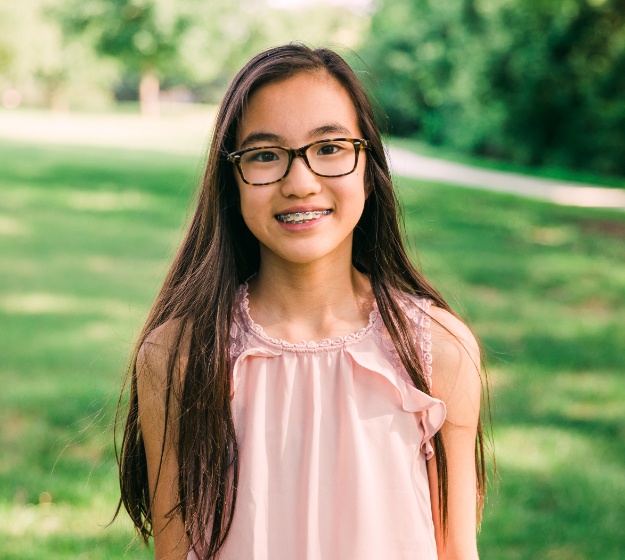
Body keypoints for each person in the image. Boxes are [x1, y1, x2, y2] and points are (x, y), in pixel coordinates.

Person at [115, 44, 488, 560]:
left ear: (368, 165)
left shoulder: (437, 350)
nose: (300, 183)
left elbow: (456, 551)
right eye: (266, 155)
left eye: (329, 147)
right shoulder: (179, 355)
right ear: (232, 178)